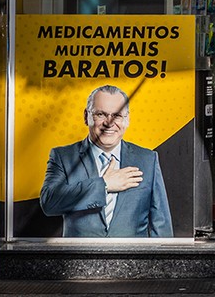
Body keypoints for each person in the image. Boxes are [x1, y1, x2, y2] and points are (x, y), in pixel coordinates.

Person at [40, 85, 173, 238]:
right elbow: (49, 202)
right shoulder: (63, 156)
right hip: (80, 260)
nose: (109, 123)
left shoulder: (148, 159)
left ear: (127, 119)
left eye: (117, 115)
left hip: (133, 260)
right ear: (86, 116)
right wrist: (104, 185)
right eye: (101, 114)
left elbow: (161, 224)